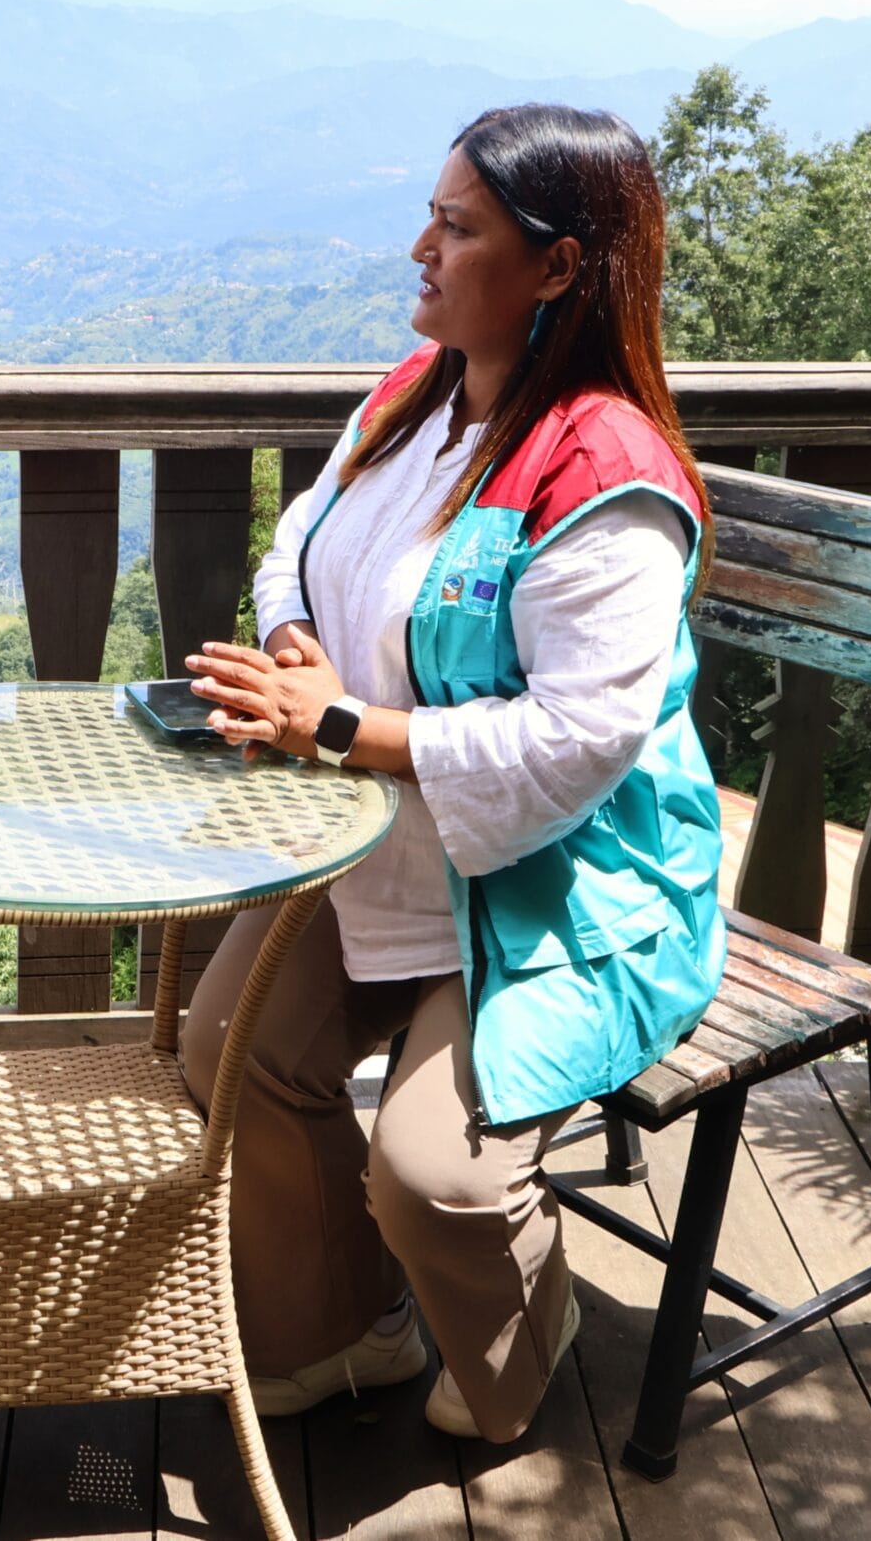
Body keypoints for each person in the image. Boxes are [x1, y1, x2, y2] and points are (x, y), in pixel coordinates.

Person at [178, 104, 722, 1445]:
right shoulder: (410, 399)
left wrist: (339, 728)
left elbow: (579, 742)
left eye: (458, 226)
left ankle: (518, 1351)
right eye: (432, 213)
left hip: (568, 873)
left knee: (435, 1180)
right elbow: (294, 549)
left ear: (559, 267)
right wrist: (295, 634)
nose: (419, 247)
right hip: (385, 841)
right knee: (229, 1053)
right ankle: (341, 1325)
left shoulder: (606, 479)